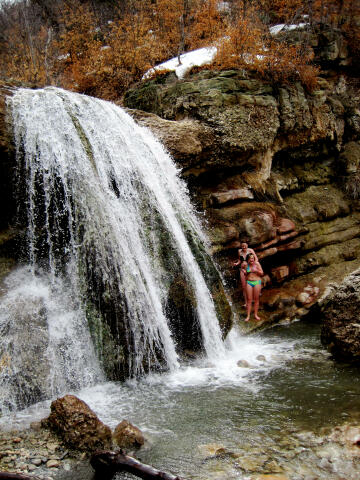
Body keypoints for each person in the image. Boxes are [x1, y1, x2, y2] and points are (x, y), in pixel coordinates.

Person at [233, 242, 258, 306]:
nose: (244, 247)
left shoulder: (250, 250)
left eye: (245, 246)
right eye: (242, 246)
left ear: (247, 246)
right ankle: (246, 302)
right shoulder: (239, 251)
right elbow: (239, 260)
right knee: (244, 286)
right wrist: (236, 263)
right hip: (242, 270)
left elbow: (256, 259)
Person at [244, 253, 263, 322]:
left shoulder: (257, 264)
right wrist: (245, 272)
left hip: (257, 282)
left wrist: (256, 271)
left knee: (256, 299)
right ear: (248, 260)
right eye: (250, 258)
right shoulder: (246, 265)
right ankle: (248, 315)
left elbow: (262, 273)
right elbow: (245, 274)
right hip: (249, 282)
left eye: (252, 258)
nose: (251, 259)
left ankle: (255, 315)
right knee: (249, 299)